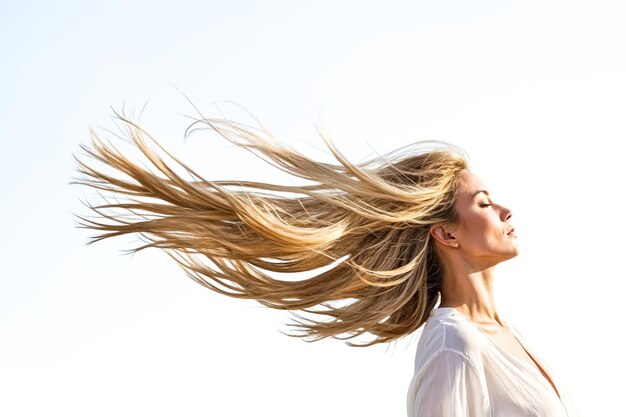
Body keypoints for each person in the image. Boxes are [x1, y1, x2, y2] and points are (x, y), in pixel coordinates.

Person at [73, 113, 580, 416]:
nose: (506, 210)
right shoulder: (454, 342)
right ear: (446, 233)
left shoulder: (503, 335)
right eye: (486, 203)